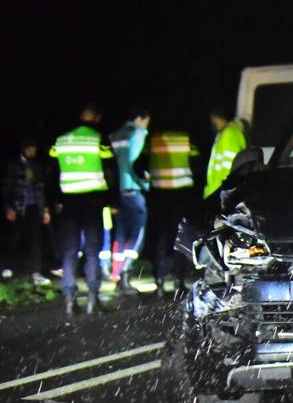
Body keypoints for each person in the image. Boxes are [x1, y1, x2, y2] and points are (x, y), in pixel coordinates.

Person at [50, 102, 116, 315]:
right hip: (92, 201)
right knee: (92, 251)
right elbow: (110, 168)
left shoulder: (61, 140)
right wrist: (113, 200)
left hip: (68, 202)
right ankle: (93, 299)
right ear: (96, 118)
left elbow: (51, 171)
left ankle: (69, 300)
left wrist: (55, 200)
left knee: (69, 252)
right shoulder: (98, 138)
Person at [146, 123, 198, 296]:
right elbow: (196, 157)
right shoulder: (184, 139)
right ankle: (179, 280)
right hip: (181, 195)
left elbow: (142, 162)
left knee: (161, 237)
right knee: (179, 237)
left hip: (159, 195)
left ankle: (159, 280)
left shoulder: (153, 140)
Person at [109, 106, 150, 293]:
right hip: (132, 189)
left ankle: (116, 274)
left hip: (117, 192)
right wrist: (142, 183)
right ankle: (125, 273)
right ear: (141, 118)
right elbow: (130, 164)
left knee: (121, 233)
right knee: (138, 232)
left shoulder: (114, 135)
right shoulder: (137, 133)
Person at [2, 137, 52, 284]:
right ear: (24, 149)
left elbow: (41, 189)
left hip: (34, 206)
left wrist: (45, 210)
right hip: (17, 206)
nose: (32, 152)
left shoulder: (36, 165)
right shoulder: (14, 165)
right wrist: (8, 207)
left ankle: (36, 272)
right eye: (30, 149)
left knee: (36, 239)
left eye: (34, 150)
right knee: (14, 237)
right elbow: (6, 187)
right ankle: (7, 266)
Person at [204, 106, 248, 199]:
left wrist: (222, 195)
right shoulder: (223, 134)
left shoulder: (230, 133)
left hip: (220, 195)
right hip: (216, 194)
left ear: (214, 117)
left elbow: (230, 168)